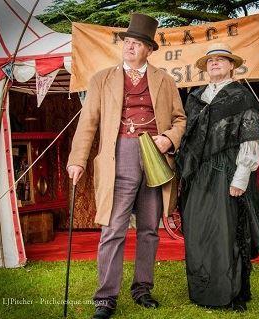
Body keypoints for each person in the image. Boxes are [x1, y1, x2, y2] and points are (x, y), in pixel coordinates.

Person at [67, 13, 186, 319]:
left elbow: (180, 120)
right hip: (118, 158)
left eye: (137, 43)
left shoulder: (165, 80)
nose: (130, 47)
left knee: (149, 230)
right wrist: (77, 160)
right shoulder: (101, 79)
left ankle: (142, 288)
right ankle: (105, 297)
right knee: (113, 229)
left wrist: (169, 140)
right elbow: (87, 124)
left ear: (149, 49)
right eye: (128, 42)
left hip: (155, 160)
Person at [176, 42, 259, 311]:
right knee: (197, 229)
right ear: (206, 67)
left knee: (226, 232)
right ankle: (203, 290)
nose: (215, 63)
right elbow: (189, 137)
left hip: (227, 169)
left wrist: (241, 177)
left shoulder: (242, 96)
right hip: (198, 172)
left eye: (221, 60)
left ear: (231, 66)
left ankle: (230, 292)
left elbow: (250, 138)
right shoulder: (195, 97)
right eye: (211, 61)